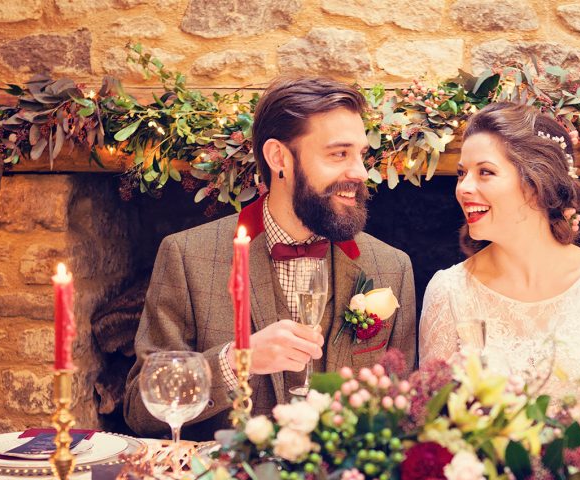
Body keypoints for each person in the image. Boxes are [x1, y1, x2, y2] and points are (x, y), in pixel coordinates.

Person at [124, 78, 417, 439]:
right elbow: (140, 411)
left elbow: (404, 415)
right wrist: (235, 362)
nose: (359, 172)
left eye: (361, 155)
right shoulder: (187, 257)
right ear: (279, 158)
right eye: (339, 154)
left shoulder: (391, 267)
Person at [419, 102, 580, 418]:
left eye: (485, 172)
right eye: (461, 173)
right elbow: (433, 428)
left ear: (537, 184)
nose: (464, 188)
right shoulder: (449, 291)